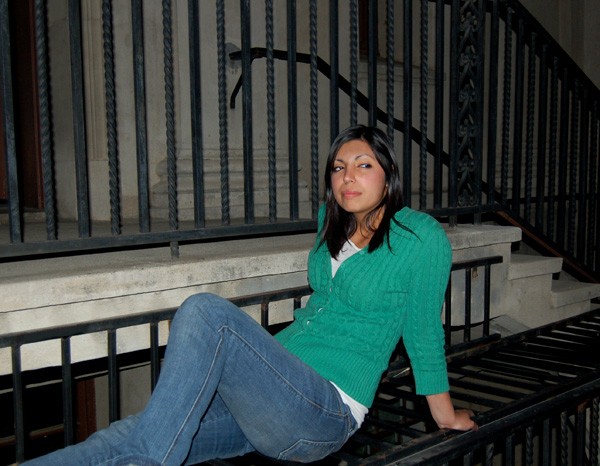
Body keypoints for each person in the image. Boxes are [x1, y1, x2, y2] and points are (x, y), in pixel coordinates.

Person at [25, 125, 476, 466]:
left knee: (206, 314)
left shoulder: (419, 236)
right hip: (269, 398)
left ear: (388, 173)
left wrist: (445, 416)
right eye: (338, 167)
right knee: (126, 436)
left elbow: (423, 335)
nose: (347, 177)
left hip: (324, 410)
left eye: (363, 165)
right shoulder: (331, 221)